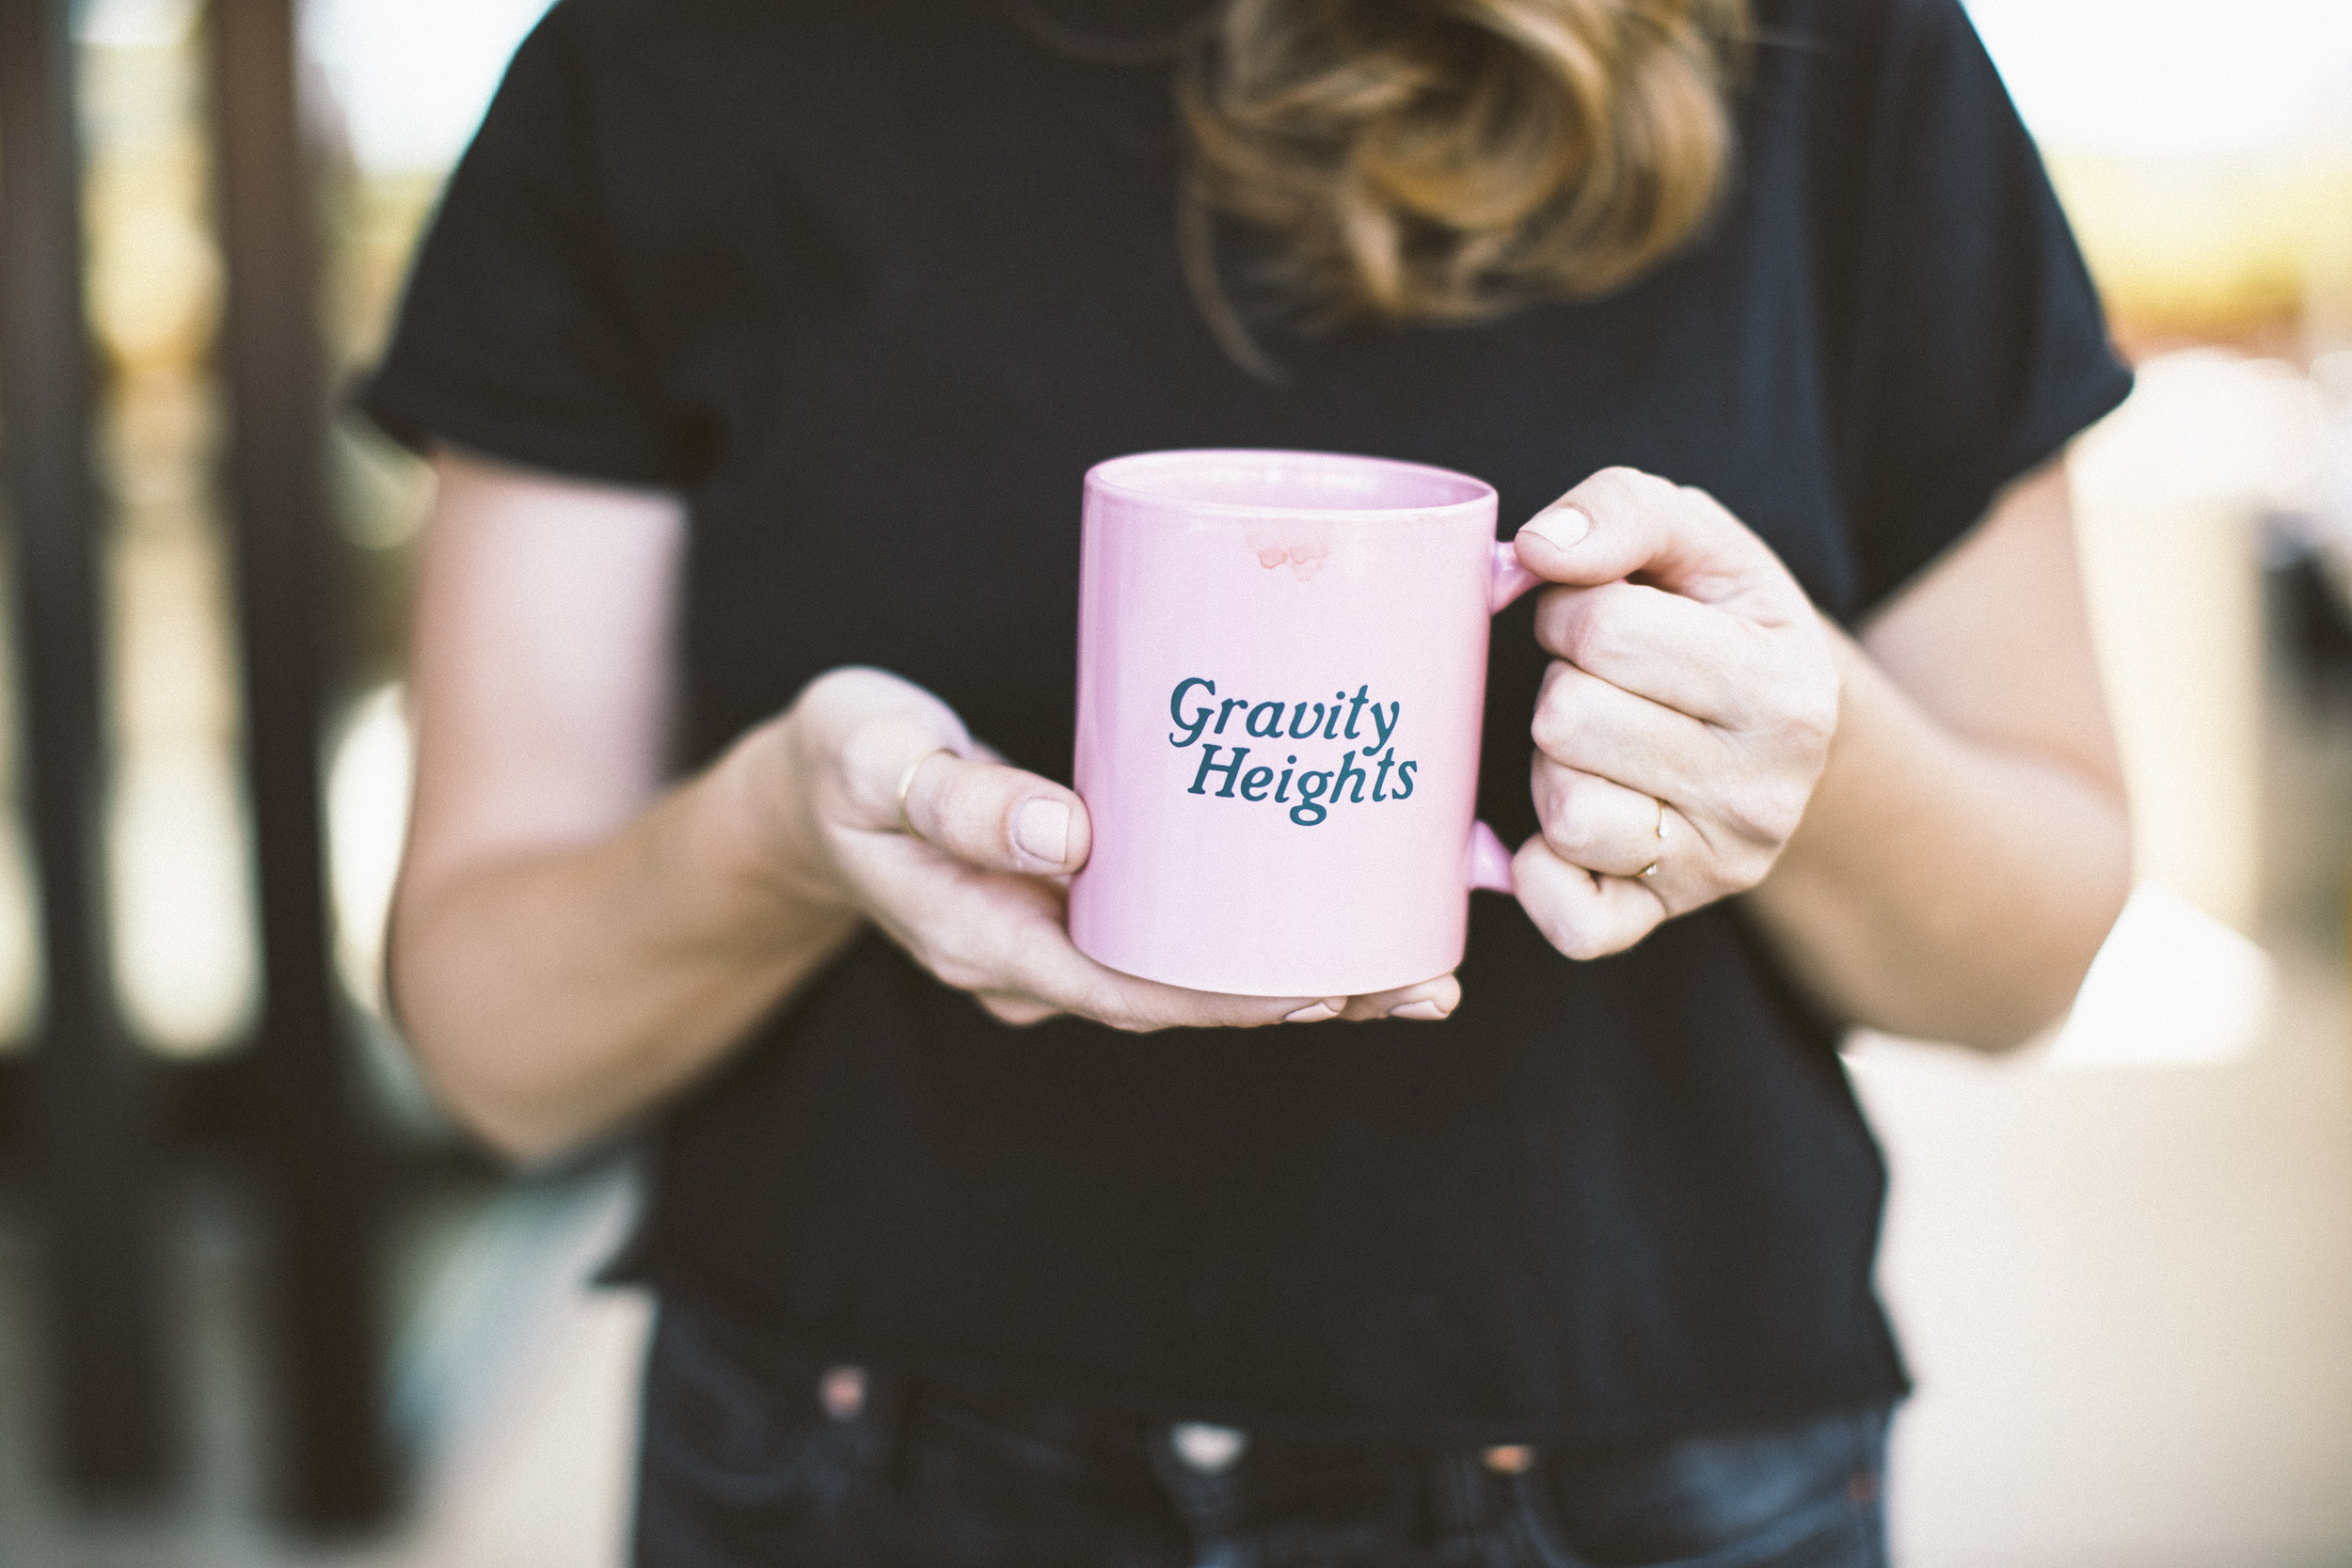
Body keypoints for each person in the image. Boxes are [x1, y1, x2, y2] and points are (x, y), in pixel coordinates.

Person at [365, 0, 2133, 1561]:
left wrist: (1800, 745)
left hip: (1646, 1482)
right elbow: (498, 1048)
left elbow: (2026, 960)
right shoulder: (663, 57)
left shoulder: (1834, 53)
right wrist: (776, 837)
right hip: (849, 1465)